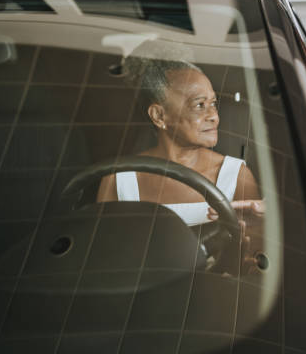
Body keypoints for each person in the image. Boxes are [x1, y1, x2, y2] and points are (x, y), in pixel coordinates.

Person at [96, 58, 264, 232]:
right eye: (199, 105)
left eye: (213, 103)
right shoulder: (118, 178)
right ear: (159, 116)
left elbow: (252, 251)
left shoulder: (236, 176)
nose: (214, 116)